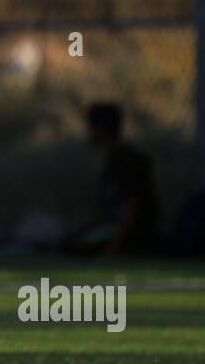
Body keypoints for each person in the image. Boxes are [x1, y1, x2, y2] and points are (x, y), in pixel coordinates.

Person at [62, 103, 158, 257]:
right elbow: (106, 211)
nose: (89, 133)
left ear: (101, 129)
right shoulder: (112, 161)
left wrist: (114, 245)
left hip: (134, 233)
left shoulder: (127, 161)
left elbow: (132, 207)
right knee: (71, 242)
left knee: (78, 247)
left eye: (91, 128)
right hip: (113, 228)